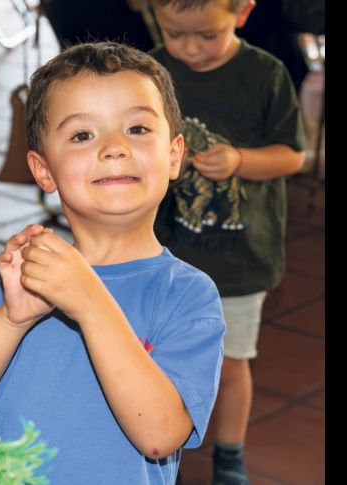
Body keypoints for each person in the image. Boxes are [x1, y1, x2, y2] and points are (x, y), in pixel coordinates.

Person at [0, 41, 225, 484]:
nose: (114, 148)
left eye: (138, 129)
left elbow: (161, 434)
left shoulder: (187, 295)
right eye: (83, 135)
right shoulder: (18, 279)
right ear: (43, 170)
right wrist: (12, 319)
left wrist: (90, 301)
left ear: (174, 155)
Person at [149, 1, 307, 483]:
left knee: (233, 362)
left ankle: (230, 454)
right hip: (165, 254)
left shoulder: (267, 74)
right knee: (151, 353)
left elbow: (292, 157)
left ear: (242, 14)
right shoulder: (152, 71)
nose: (189, 49)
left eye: (207, 36)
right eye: (175, 34)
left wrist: (240, 160)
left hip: (240, 259)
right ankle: (152, 439)